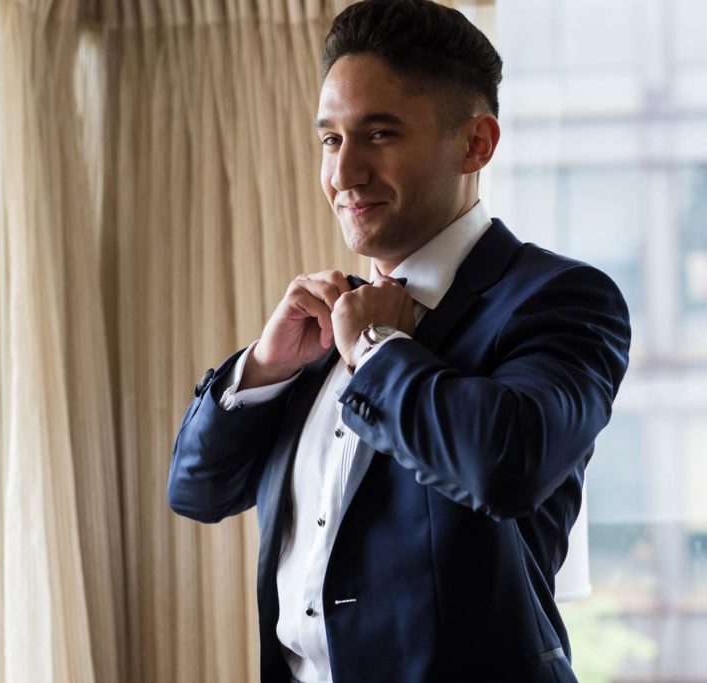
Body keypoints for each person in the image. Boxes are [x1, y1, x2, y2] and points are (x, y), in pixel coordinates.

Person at [168, 1, 631, 681]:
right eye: (331, 139)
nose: (343, 173)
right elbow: (198, 491)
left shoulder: (561, 299)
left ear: (476, 143)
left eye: (379, 134)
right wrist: (264, 367)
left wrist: (377, 350)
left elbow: (507, 462)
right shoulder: (321, 326)